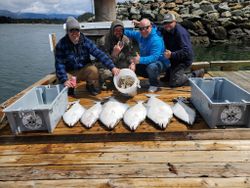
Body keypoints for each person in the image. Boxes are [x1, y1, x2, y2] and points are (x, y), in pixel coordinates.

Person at [54, 16, 120, 96]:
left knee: (93, 70)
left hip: (83, 70)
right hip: (69, 72)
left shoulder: (85, 41)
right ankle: (70, 87)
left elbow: (99, 54)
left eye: (77, 30)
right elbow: (59, 64)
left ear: (79, 31)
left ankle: (90, 85)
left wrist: (112, 67)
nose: (75, 33)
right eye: (71, 31)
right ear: (67, 32)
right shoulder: (61, 44)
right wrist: (64, 79)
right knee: (60, 83)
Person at [158, 13, 204, 87]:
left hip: (183, 60)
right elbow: (157, 27)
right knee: (167, 78)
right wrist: (144, 25)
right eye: (165, 23)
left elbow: (187, 51)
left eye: (170, 22)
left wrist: (171, 55)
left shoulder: (181, 33)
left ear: (175, 22)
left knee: (174, 83)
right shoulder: (166, 29)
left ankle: (197, 73)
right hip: (174, 59)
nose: (167, 24)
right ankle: (170, 74)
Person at [124, 18, 170, 92]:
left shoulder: (156, 40)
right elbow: (129, 33)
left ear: (151, 27)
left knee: (151, 67)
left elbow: (154, 57)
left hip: (160, 63)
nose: (143, 31)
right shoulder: (140, 35)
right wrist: (119, 30)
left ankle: (154, 84)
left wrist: (139, 60)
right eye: (141, 29)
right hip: (146, 62)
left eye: (146, 28)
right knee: (129, 63)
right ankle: (132, 82)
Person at [97, 20, 133, 90]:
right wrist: (114, 54)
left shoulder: (126, 40)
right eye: (116, 30)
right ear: (112, 30)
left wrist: (132, 63)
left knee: (127, 68)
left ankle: (117, 81)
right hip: (104, 64)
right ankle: (101, 81)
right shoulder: (103, 41)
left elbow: (129, 54)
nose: (118, 32)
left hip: (118, 62)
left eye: (120, 30)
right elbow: (102, 60)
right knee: (107, 73)